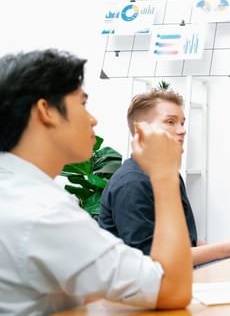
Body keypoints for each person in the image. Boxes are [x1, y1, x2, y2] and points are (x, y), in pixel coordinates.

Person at [0, 49, 192, 314]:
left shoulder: (18, 191)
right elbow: (171, 289)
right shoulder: (43, 212)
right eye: (82, 104)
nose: (93, 119)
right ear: (46, 110)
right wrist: (165, 175)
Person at [99, 88, 230, 268]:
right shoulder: (132, 183)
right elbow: (151, 260)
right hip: (152, 285)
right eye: (170, 122)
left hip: (180, 272)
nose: (182, 130)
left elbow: (185, 242)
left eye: (182, 122)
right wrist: (228, 249)